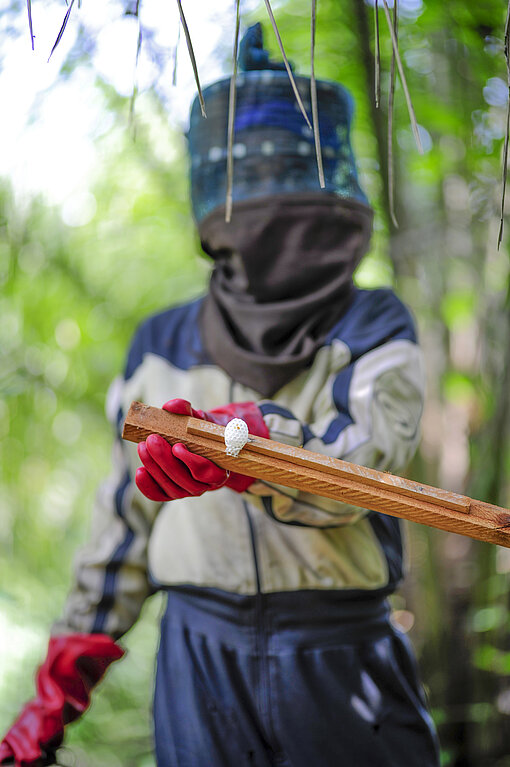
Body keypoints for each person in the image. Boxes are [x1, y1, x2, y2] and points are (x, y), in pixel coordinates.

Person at [1, 24, 440, 767]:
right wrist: (54, 693)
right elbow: (123, 525)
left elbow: (366, 468)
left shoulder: (373, 321)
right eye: (252, 169)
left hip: (340, 654)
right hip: (198, 660)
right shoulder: (162, 341)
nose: (271, 205)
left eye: (284, 167)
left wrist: (251, 444)